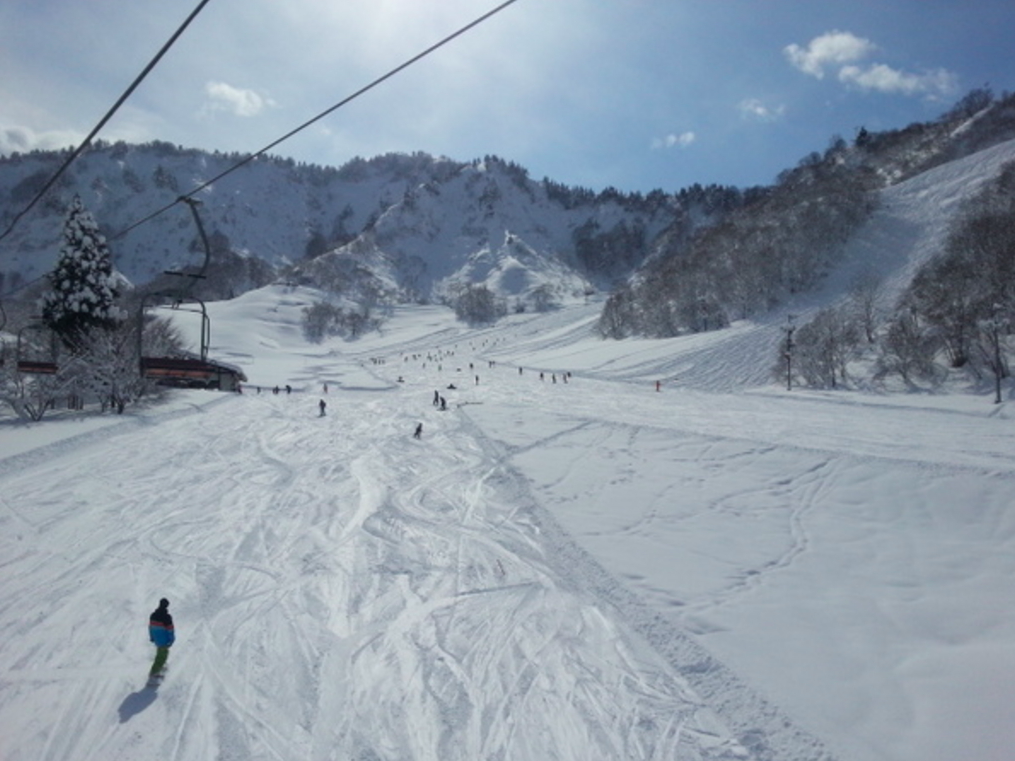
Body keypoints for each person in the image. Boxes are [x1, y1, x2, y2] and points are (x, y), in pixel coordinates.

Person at [148, 598, 175, 679]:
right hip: (164, 638)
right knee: (162, 655)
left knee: (160, 653)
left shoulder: (153, 615)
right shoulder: (167, 617)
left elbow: (150, 627)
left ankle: (159, 667)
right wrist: (171, 639)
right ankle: (154, 672)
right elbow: (170, 630)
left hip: (156, 637)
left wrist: (152, 636)